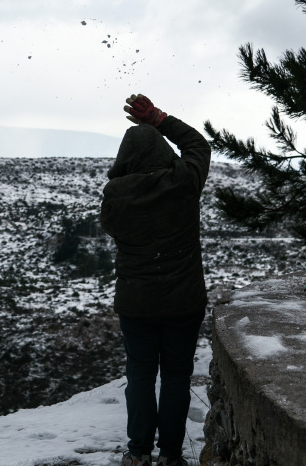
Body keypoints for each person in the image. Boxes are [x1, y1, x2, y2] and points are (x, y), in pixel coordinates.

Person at [100, 94, 211, 466]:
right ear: (163, 153)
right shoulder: (183, 182)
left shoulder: (115, 197)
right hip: (184, 301)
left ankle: (138, 453)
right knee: (177, 378)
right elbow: (197, 144)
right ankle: (170, 455)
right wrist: (160, 119)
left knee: (141, 376)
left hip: (137, 303)